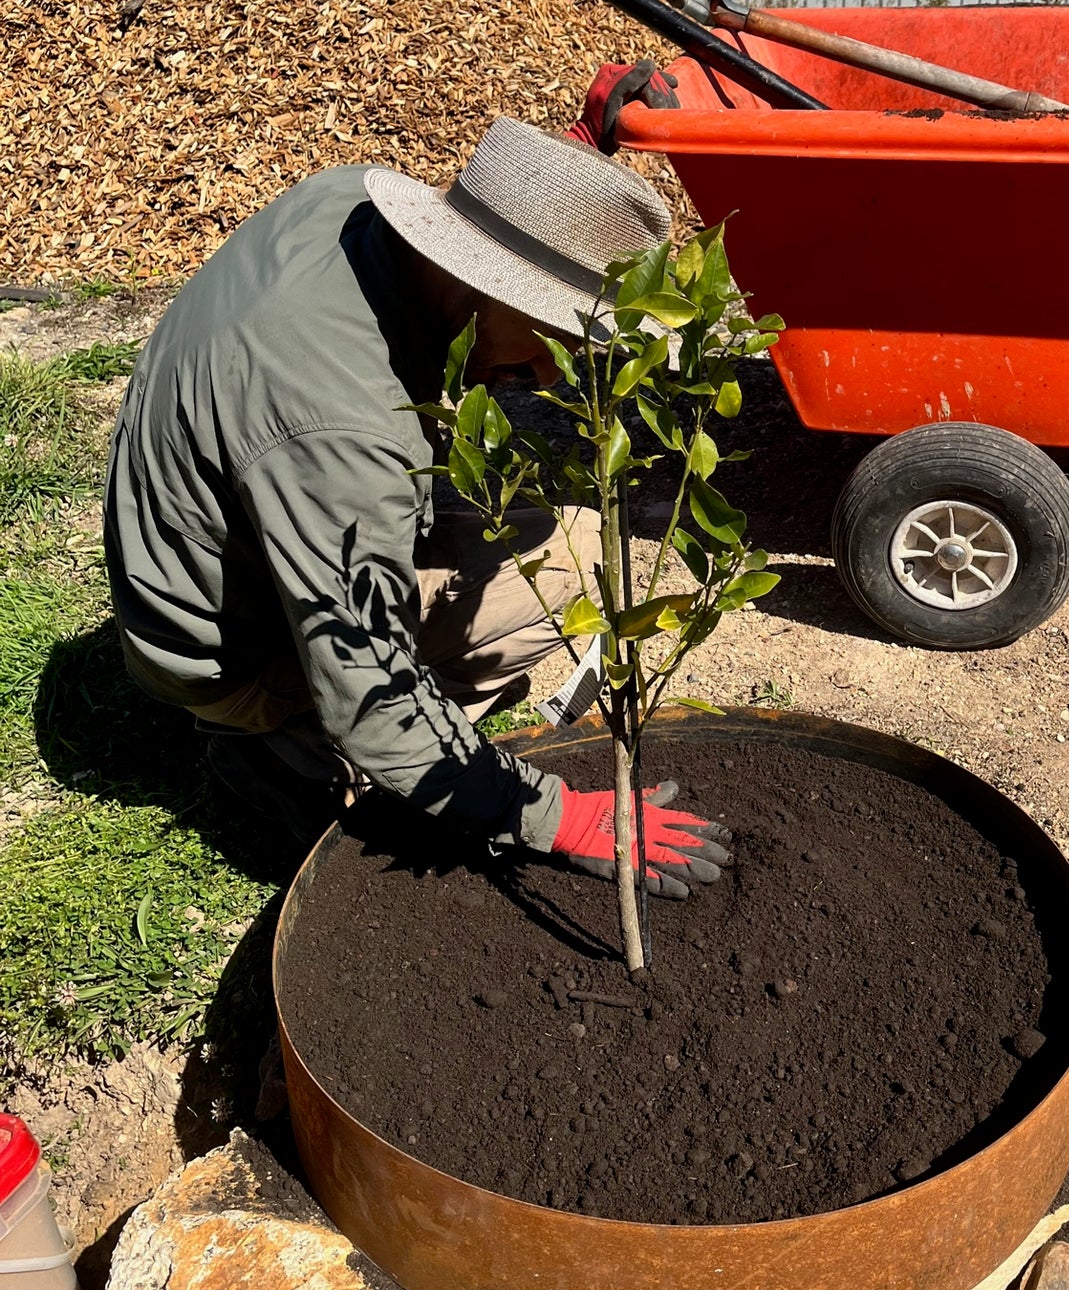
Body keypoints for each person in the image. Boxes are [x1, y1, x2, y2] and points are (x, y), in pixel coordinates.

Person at [103, 61, 729, 897]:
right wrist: (561, 818)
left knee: (549, 530)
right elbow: (376, 696)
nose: (552, 372)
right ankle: (286, 756)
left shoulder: (346, 206)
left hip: (209, 541)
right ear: (476, 274)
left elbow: (501, 238)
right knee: (568, 569)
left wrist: (579, 165)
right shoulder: (347, 428)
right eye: (554, 335)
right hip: (217, 655)